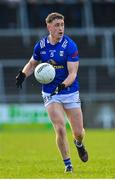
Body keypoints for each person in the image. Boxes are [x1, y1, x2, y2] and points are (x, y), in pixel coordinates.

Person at [16, 12, 88, 173]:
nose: (60, 28)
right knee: (60, 128)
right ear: (49, 27)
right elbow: (32, 63)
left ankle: (79, 143)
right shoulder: (41, 45)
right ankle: (68, 164)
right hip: (50, 93)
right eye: (57, 25)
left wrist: (62, 86)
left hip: (69, 91)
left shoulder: (70, 46)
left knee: (78, 132)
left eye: (62, 25)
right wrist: (23, 74)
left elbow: (73, 74)